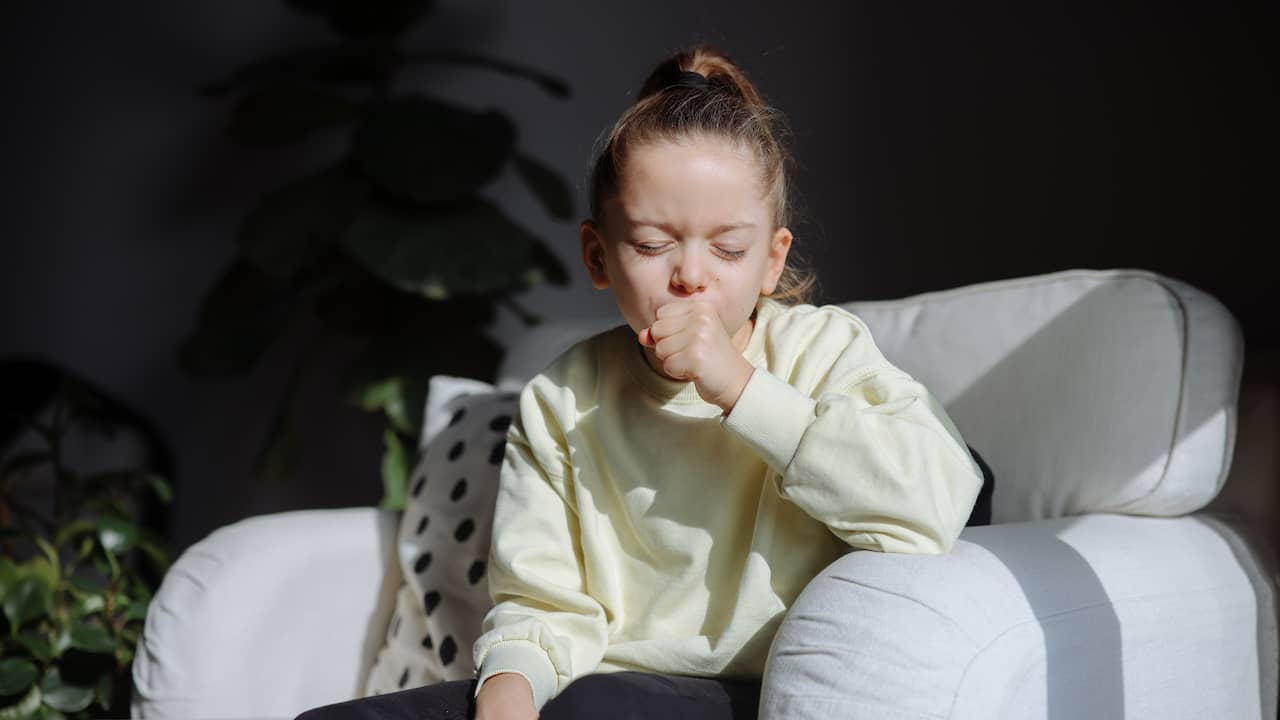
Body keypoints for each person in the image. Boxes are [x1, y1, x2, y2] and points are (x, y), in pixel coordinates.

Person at [296, 42, 989, 720]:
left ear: (772, 262)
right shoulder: (562, 397)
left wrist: (741, 388)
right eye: (653, 245)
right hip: (595, 681)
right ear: (598, 255)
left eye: (729, 249)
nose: (691, 276)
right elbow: (541, 602)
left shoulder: (822, 352)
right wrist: (508, 687)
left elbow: (933, 505)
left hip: (753, 690)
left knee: (592, 706)